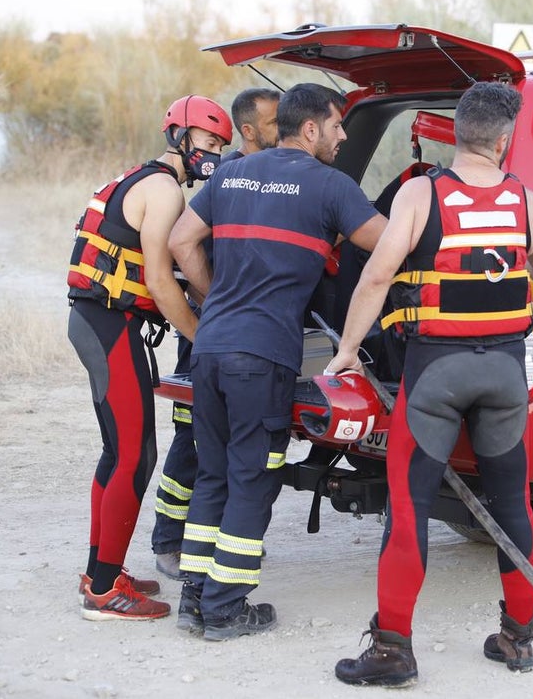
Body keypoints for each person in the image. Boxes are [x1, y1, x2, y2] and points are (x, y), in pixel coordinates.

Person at [329, 81, 533, 687]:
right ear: (504, 141)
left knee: (409, 510)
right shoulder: (524, 198)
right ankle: (517, 639)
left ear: (455, 134)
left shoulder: (420, 193)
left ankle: (392, 652)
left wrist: (348, 351)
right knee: (513, 506)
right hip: (505, 374)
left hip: (436, 372)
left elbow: (377, 276)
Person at [168, 82, 386, 641]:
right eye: (338, 126)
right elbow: (390, 243)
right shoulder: (329, 186)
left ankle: (194, 598)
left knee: (213, 475)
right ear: (310, 128)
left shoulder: (230, 175)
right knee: (251, 480)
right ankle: (225, 609)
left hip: (210, 349)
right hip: (260, 358)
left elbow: (181, 242)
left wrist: (217, 298)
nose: (342, 137)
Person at [67, 94, 233, 620]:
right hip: (109, 324)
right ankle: (102, 591)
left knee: (118, 451)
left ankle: (103, 567)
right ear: (179, 137)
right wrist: (201, 332)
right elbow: (161, 282)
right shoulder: (163, 190)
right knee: (135, 457)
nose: (213, 154)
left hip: (98, 320)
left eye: (220, 147)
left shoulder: (140, 178)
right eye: (207, 143)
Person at [151, 87, 281, 581]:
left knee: (233, 444)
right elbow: (182, 245)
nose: (281, 129)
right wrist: (211, 301)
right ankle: (168, 540)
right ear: (251, 130)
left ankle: (221, 539)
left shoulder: (265, 177)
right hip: (214, 329)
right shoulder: (227, 179)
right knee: (194, 438)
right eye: (273, 123)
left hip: (240, 332)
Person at [220, 87, 281, 163]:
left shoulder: (284, 161)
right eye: (275, 122)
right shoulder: (226, 170)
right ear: (248, 132)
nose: (284, 127)